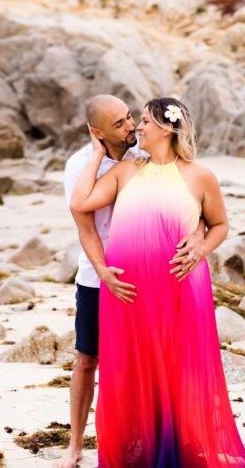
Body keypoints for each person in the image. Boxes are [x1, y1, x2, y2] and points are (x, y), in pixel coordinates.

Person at [69, 96, 245, 467]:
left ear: (168, 129)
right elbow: (81, 202)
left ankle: (180, 443)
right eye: (134, 121)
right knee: (131, 371)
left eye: (146, 122)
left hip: (181, 287)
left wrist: (201, 246)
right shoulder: (124, 171)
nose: (138, 127)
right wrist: (93, 154)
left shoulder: (200, 176)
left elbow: (220, 225)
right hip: (127, 293)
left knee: (178, 368)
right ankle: (139, 446)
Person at [57, 94, 207, 468]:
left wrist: (201, 232)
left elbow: (187, 200)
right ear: (96, 132)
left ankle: (151, 439)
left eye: (131, 118)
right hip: (100, 275)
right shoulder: (79, 166)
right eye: (120, 124)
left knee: (152, 363)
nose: (131, 128)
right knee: (88, 359)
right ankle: (75, 446)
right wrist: (103, 271)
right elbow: (86, 227)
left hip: (152, 280)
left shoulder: (142, 152)